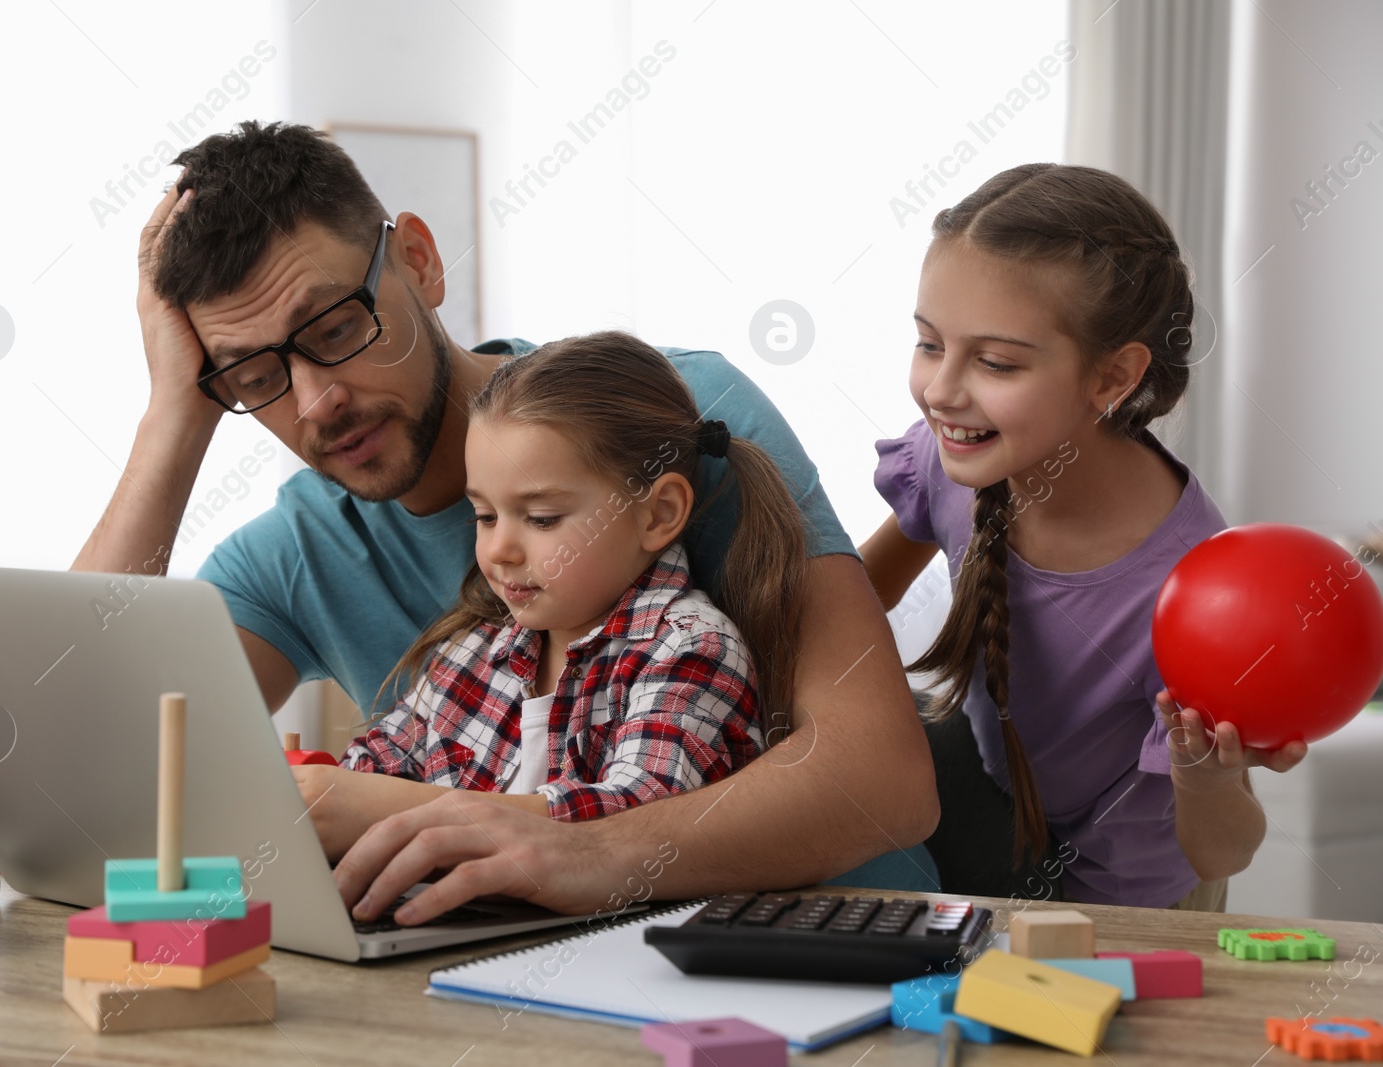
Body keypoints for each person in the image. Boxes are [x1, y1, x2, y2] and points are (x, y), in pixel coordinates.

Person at [71, 120, 938, 926]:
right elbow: (70, 754)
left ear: (419, 260)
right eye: (253, 375)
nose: (316, 402)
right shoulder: (295, 551)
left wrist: (542, 842)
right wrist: (173, 418)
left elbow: (884, 782)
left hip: (830, 951)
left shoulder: (674, 418)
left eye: (335, 327)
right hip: (518, 974)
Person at [858, 163, 1306, 910]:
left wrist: (1208, 774)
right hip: (998, 828)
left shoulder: (1197, 587)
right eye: (931, 344)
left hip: (1133, 904)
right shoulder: (954, 462)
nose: (941, 391)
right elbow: (851, 604)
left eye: (996, 361)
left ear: (1112, 379)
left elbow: (1222, 850)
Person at [288, 332, 811, 858]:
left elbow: (640, 820)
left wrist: (402, 811)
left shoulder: (690, 649)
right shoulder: (470, 655)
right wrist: (314, 793)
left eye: (541, 518)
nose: (499, 551)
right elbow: (371, 773)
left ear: (658, 513)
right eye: (485, 516)